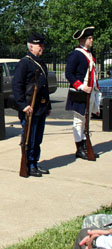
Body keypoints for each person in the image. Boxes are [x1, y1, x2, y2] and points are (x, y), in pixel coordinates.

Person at [12, 32, 51, 177]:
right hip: (30, 107)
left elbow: (44, 88)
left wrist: (48, 106)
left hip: (41, 107)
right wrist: (23, 105)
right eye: (39, 45)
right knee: (30, 138)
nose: (42, 48)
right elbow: (17, 86)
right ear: (31, 46)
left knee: (38, 138)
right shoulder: (24, 63)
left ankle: (35, 162)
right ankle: (28, 164)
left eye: (42, 45)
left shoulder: (41, 63)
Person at [65, 26, 101, 160]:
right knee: (79, 121)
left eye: (92, 38)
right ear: (82, 40)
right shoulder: (76, 54)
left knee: (87, 121)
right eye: (89, 38)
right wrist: (81, 86)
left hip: (90, 92)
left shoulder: (90, 54)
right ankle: (80, 148)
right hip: (80, 92)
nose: (92, 40)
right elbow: (69, 74)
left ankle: (86, 147)